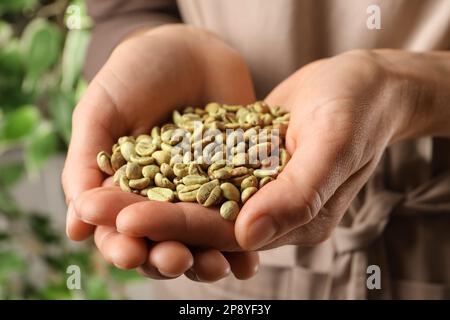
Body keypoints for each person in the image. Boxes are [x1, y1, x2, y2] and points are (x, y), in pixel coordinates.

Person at [62, 0, 450, 299]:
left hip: (432, 244)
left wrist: (412, 90)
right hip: (217, 271)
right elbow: (124, 8)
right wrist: (143, 39)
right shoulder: (194, 167)